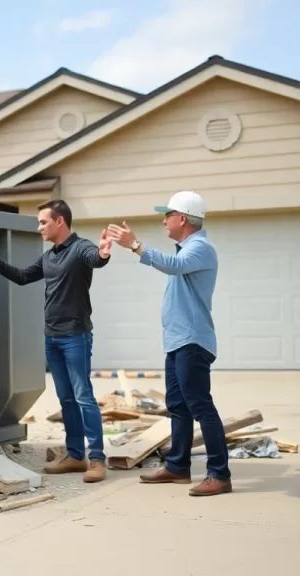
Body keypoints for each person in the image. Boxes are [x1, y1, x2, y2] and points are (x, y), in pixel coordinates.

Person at [0, 199, 111, 483]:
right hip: (52, 337)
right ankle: (74, 456)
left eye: (44, 222)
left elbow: (96, 258)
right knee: (66, 398)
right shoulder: (49, 257)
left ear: (60, 221)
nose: (40, 227)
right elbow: (21, 277)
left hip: (76, 336)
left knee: (84, 396)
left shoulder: (80, 248)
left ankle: (97, 459)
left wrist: (104, 254)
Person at [106, 190, 231, 497]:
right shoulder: (186, 249)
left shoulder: (201, 248)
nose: (164, 219)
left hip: (192, 341)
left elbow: (172, 266)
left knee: (200, 405)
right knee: (177, 406)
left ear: (183, 219)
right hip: (177, 341)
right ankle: (178, 467)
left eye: (168, 215)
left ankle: (220, 474)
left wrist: (135, 246)